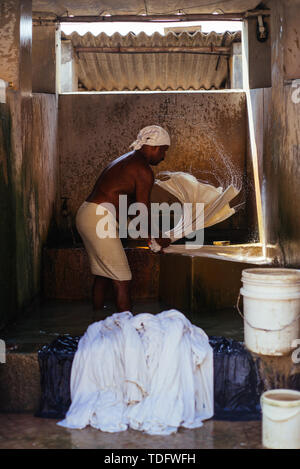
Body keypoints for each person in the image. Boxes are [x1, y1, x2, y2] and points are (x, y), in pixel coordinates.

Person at [76, 125, 171, 313]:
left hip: (87, 214)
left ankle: (96, 323)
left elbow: (131, 212)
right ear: (154, 147)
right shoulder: (143, 171)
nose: (163, 157)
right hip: (98, 218)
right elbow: (141, 212)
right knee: (123, 280)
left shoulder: (127, 160)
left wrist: (151, 237)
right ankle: (127, 334)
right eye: (163, 151)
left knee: (103, 275)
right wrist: (157, 237)